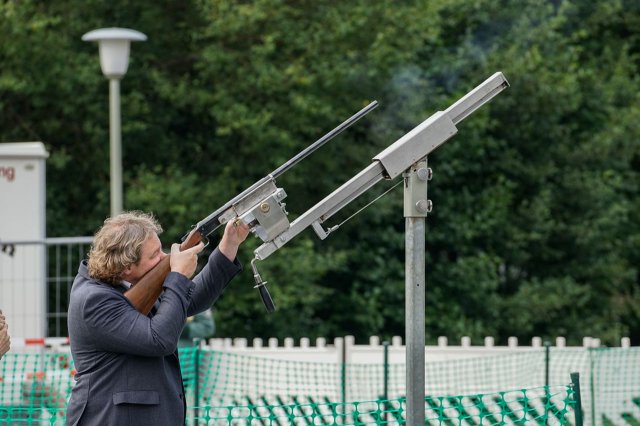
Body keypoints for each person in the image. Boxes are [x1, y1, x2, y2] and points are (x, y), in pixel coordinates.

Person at [65, 211, 249, 426]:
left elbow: (192, 300)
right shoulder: (93, 299)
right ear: (127, 266)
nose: (164, 258)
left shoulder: (133, 285)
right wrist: (178, 276)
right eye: (154, 255)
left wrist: (229, 246)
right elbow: (160, 339)